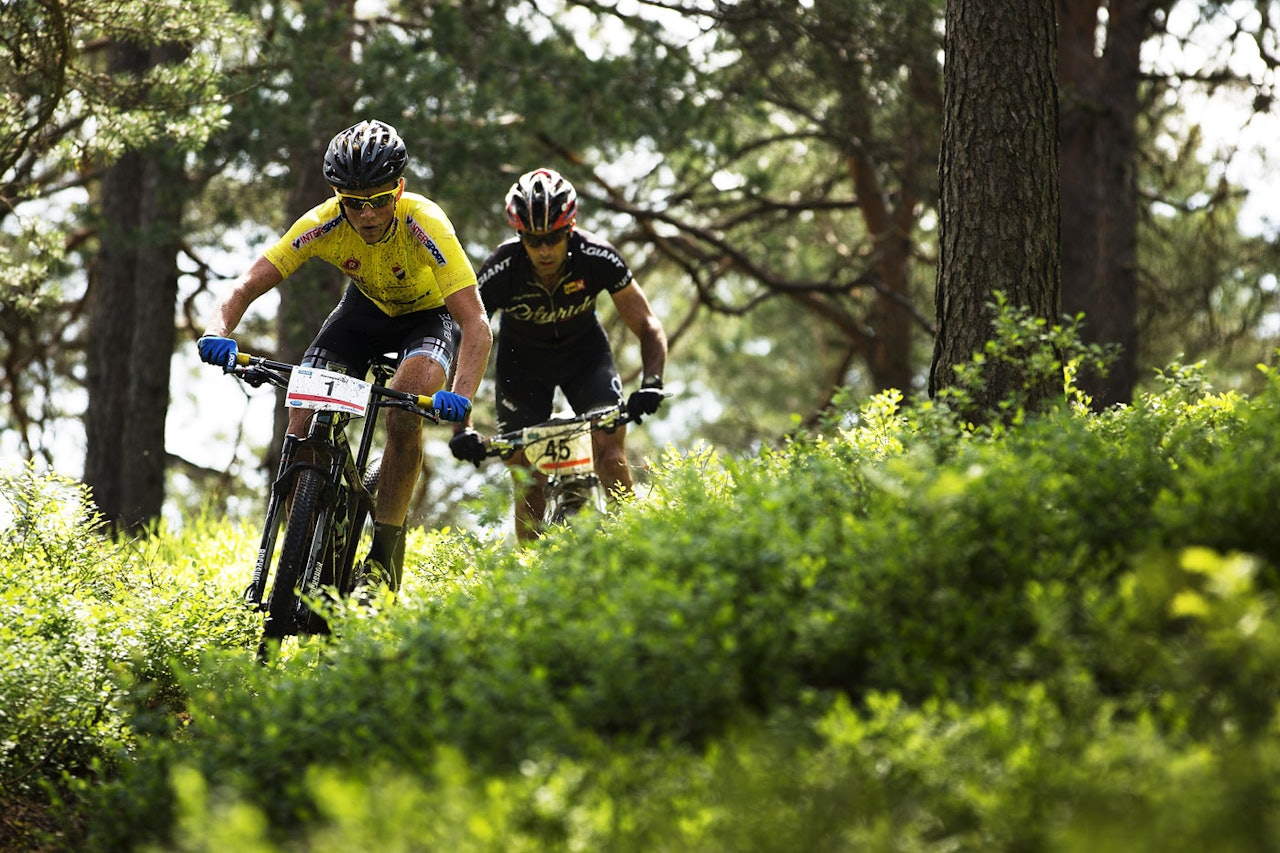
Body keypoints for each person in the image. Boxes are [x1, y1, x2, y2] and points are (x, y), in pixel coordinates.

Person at [197, 119, 492, 593]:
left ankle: (382, 558)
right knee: (301, 425)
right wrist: (218, 330)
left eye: (379, 200)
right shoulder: (324, 223)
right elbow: (247, 284)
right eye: (354, 204)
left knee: (404, 409)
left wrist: (461, 395)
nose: (368, 215)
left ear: (399, 188)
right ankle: (301, 555)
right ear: (338, 196)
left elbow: (476, 323)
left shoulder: (425, 222)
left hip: (426, 319)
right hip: (361, 317)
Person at [448, 168, 667, 542]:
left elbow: (647, 324)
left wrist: (652, 382)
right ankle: (531, 574)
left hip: (586, 357)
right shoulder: (502, 269)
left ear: (570, 229)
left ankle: (637, 550)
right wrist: (460, 427)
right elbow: (465, 338)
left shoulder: (597, 256)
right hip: (522, 366)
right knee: (527, 477)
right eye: (533, 240)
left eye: (553, 237)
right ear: (521, 236)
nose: (544, 249)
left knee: (611, 453)